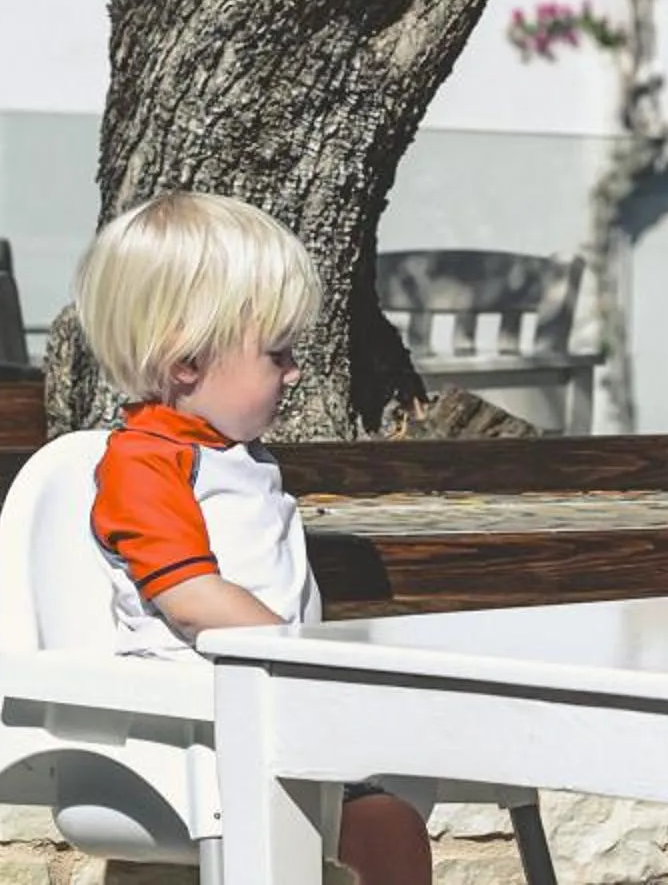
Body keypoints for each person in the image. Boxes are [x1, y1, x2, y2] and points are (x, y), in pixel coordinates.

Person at [75, 191, 433, 885]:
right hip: (192, 732)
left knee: (392, 809)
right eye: (278, 352)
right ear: (186, 362)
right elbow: (189, 595)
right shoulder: (148, 460)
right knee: (383, 824)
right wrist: (302, 652)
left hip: (261, 716)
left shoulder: (233, 456)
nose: (295, 370)